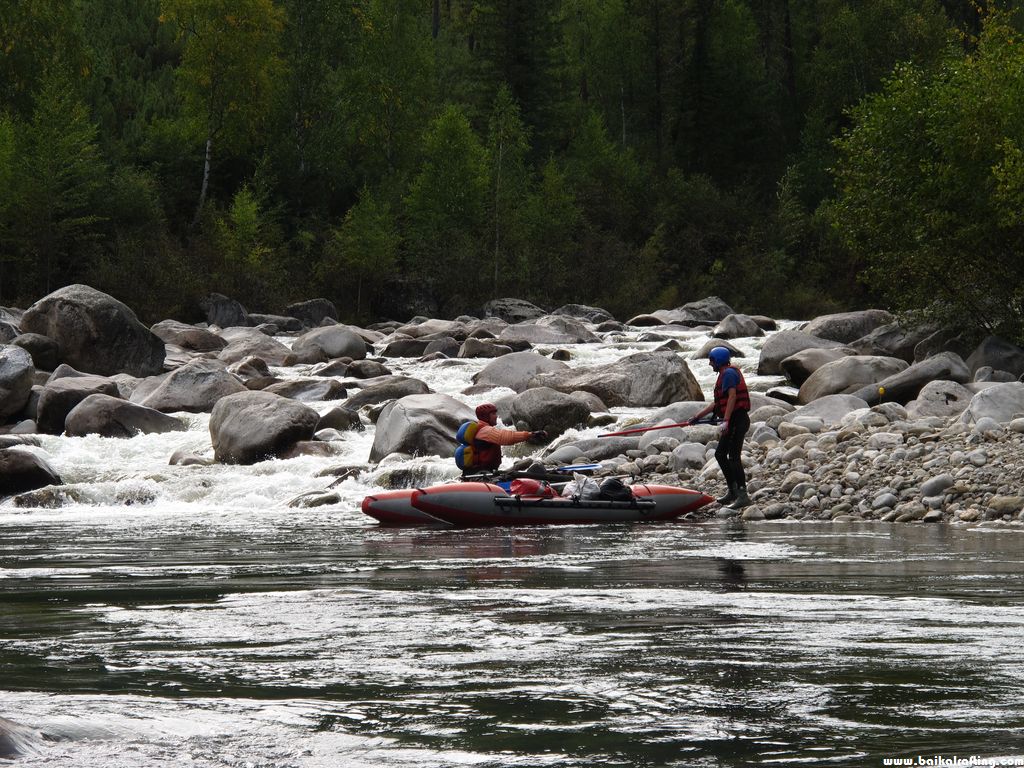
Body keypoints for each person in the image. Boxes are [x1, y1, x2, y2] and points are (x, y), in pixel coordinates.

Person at [687, 346, 752, 508]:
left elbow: (732, 397)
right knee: (720, 454)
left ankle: (743, 495)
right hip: (733, 420)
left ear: (719, 361)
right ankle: (733, 491)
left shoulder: (729, 374)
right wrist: (697, 417)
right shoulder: (724, 374)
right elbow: (717, 403)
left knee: (733, 457)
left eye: (712, 360)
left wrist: (726, 421)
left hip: (737, 420)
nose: (710, 364)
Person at [466, 403, 547, 473]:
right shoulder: (485, 431)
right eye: (493, 414)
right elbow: (507, 438)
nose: (496, 416)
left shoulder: (482, 428)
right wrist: (530, 434)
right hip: (481, 473)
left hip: (484, 471)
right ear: (486, 417)